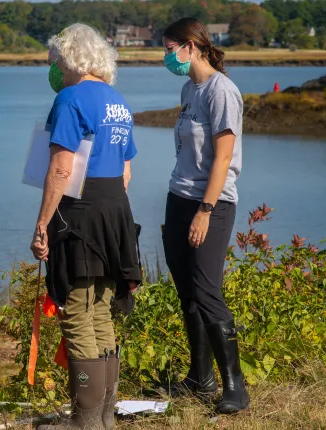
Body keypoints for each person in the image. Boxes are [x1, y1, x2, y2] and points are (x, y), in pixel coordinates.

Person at [32, 23, 141, 430]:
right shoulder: (118, 101)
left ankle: (84, 420)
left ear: (70, 59)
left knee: (77, 312)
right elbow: (126, 172)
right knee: (100, 312)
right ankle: (105, 416)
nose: (53, 70)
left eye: (55, 61)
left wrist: (43, 224)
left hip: (79, 213)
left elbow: (61, 169)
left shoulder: (70, 98)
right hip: (115, 212)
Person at [160, 17, 249, 414]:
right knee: (187, 291)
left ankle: (235, 388)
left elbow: (223, 158)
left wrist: (206, 210)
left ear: (191, 47)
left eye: (169, 49)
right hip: (178, 197)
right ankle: (200, 378)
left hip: (211, 204)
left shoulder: (221, 91)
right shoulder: (189, 88)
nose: (166, 57)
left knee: (207, 290)